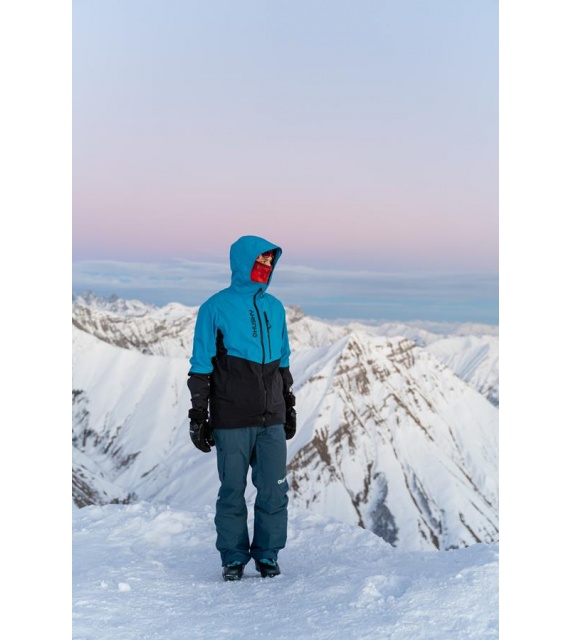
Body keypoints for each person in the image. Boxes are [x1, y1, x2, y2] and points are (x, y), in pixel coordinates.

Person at [187, 235, 297, 581]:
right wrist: (198, 414)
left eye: (269, 261)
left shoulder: (275, 307)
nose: (264, 267)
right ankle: (233, 558)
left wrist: (288, 404)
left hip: (272, 417)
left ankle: (268, 555)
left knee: (274, 490)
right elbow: (201, 365)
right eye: (259, 261)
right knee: (232, 492)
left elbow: (283, 362)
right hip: (232, 417)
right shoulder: (215, 308)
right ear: (242, 263)